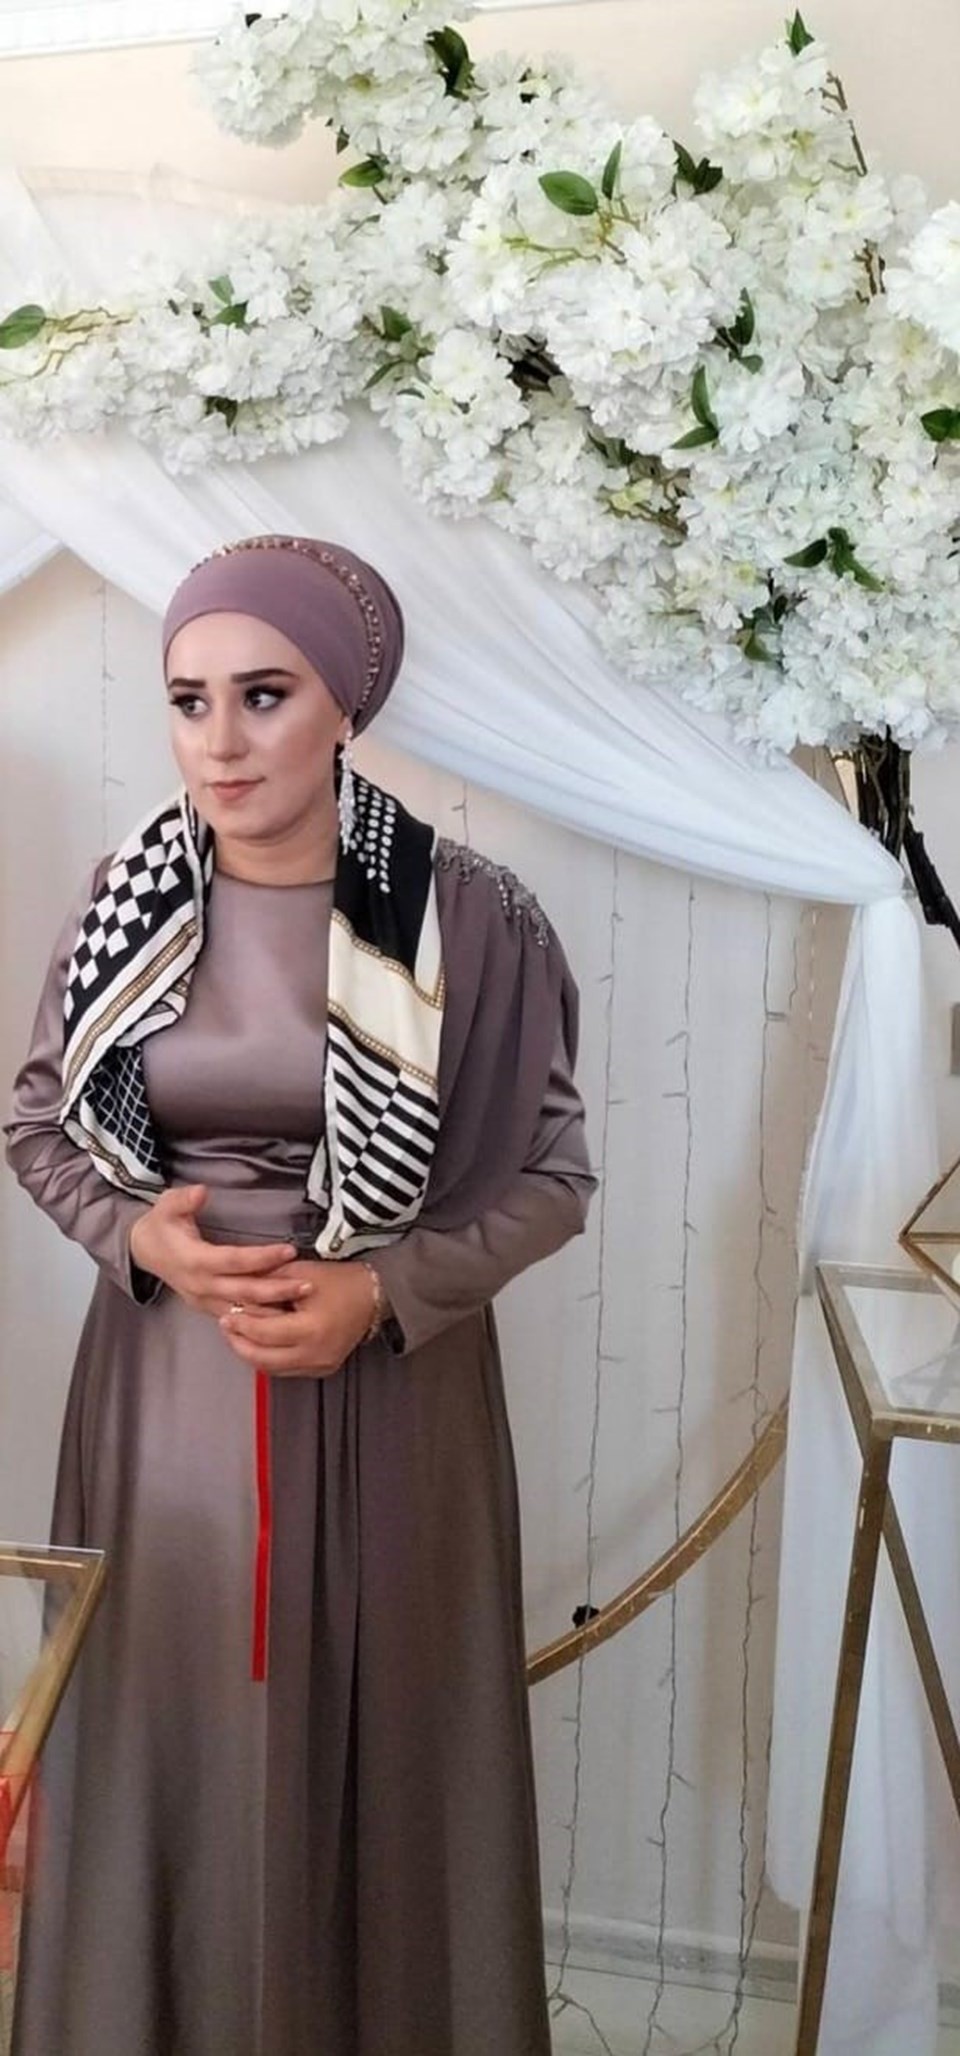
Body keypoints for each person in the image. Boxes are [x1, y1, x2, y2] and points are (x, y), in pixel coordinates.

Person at [4, 534, 595, 2056]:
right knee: (166, 1734)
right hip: (162, 1398)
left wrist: (379, 1291)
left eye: (263, 695)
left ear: (344, 706)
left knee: (386, 1743)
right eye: (188, 699)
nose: (220, 741)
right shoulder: (127, 898)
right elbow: (36, 1123)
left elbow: (553, 1177)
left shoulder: (471, 916)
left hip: (394, 1392)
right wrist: (140, 1241)